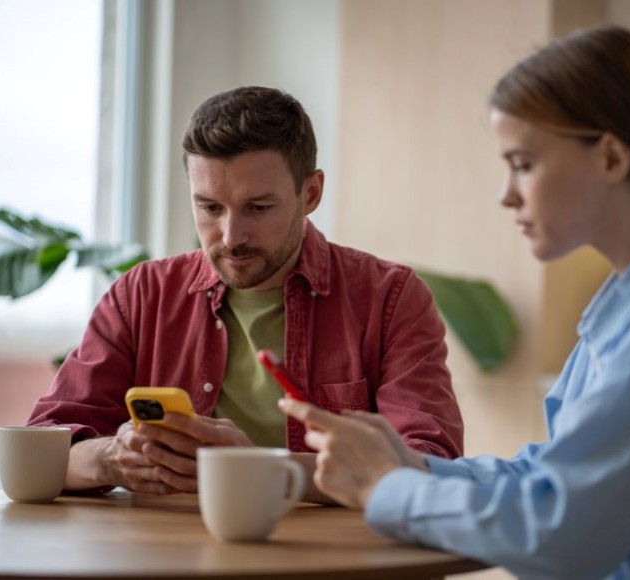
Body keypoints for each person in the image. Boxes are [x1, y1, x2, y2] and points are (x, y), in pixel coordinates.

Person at [280, 25, 630, 578]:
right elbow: (545, 476)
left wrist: (389, 488)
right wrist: (409, 465)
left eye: (523, 163)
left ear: (611, 158)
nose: (506, 193)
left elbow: (559, 531)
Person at [27, 86, 463, 502]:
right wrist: (109, 460)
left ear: (310, 193)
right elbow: (41, 451)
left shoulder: (390, 300)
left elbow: (430, 465)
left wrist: (262, 469)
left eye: (258, 208)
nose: (231, 237)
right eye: (210, 208)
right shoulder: (141, 295)